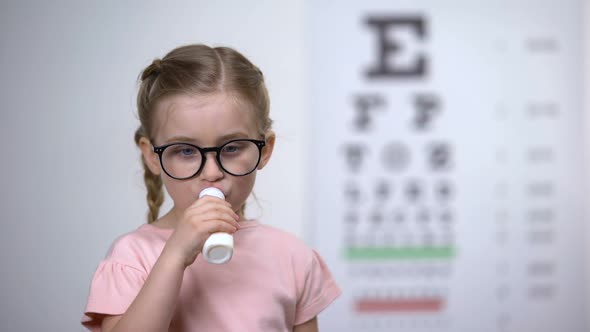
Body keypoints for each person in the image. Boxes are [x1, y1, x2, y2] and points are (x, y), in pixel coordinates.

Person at [81, 44, 341, 331]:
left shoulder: (292, 257)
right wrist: (174, 255)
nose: (212, 173)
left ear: (265, 150)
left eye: (231, 148)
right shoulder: (132, 257)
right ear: (152, 157)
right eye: (185, 151)